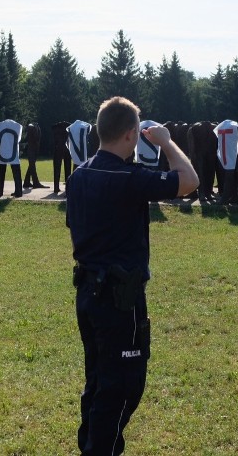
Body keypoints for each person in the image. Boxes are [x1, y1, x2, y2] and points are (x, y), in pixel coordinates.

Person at [66, 96, 198, 456]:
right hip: (120, 301)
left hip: (88, 295)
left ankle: (90, 446)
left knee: (97, 381)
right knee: (123, 386)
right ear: (130, 135)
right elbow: (189, 181)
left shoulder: (79, 176)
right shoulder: (130, 178)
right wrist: (167, 142)